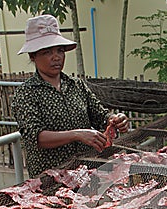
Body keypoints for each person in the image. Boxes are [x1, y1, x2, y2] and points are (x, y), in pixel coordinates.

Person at [11, 14, 129, 178]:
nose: (56, 57)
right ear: (33, 56)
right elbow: (35, 137)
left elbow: (100, 116)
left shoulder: (76, 85)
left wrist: (114, 119)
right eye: (47, 52)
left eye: (60, 50)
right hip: (51, 178)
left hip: (85, 172)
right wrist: (77, 134)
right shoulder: (26, 93)